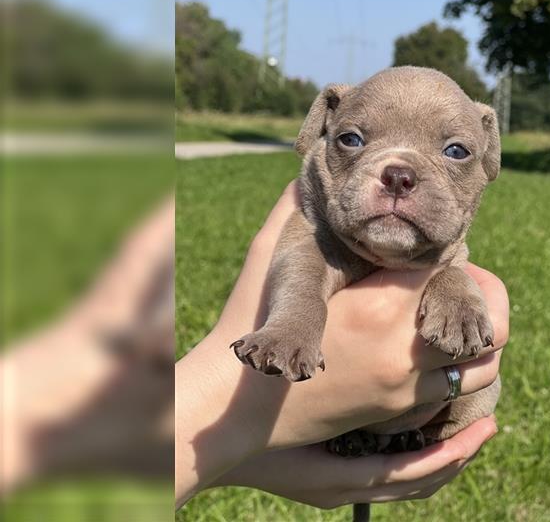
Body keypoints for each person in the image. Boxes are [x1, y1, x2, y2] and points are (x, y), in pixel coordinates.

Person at [175, 181, 509, 510]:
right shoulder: (321, 224)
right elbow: (308, 260)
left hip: (427, 425)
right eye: (352, 140)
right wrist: (244, 410)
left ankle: (406, 436)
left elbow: (452, 266)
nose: (400, 180)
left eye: (455, 152)